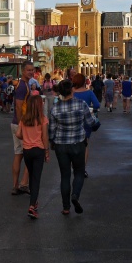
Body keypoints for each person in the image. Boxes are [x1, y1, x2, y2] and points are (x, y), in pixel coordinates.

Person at [48, 79, 100, 215]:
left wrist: (52, 143)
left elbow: (51, 130)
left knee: (64, 176)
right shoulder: (81, 104)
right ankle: (75, 195)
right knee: (78, 172)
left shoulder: (55, 108)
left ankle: (65, 207)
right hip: (78, 143)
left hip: (61, 145)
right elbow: (90, 123)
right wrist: (96, 121)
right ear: (72, 90)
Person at [14, 94, 49, 219]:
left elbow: (18, 134)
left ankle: (34, 202)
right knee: (36, 178)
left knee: (32, 174)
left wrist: (27, 137)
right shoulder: (42, 119)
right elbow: (45, 137)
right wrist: (47, 152)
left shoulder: (24, 119)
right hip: (38, 150)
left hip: (27, 150)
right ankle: (32, 206)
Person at [9, 63, 38, 195]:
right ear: (22, 71)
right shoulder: (22, 86)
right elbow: (19, 106)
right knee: (30, 154)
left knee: (18, 154)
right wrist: (22, 124)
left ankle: (15, 185)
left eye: (32, 70)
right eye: (28, 70)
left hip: (16, 123)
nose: (31, 72)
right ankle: (23, 183)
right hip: (20, 123)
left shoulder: (24, 85)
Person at [72, 72, 102, 178]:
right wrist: (90, 108)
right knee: (85, 145)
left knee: (73, 144)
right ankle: (82, 169)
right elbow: (97, 105)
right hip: (85, 121)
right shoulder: (89, 93)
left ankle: (74, 166)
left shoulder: (71, 92)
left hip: (73, 120)